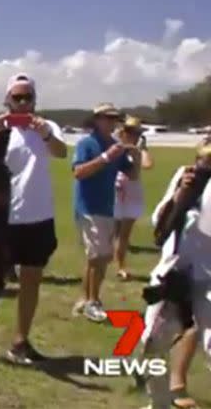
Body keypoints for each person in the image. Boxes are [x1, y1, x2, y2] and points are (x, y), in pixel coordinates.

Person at [0, 73, 66, 365]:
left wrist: (46, 135)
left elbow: (61, 153)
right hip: (2, 214)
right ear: (7, 100)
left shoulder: (48, 127)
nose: (24, 103)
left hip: (38, 214)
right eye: (17, 97)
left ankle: (20, 341)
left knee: (31, 280)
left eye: (28, 97)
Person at [138, 142, 211, 409]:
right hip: (173, 274)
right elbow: (160, 225)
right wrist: (183, 192)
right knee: (152, 345)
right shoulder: (186, 175)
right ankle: (158, 404)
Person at [71, 103, 136, 323]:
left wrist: (134, 153)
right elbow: (78, 172)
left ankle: (85, 299)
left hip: (107, 207)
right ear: (96, 119)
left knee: (101, 257)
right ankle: (93, 302)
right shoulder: (87, 144)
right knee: (98, 256)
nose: (111, 122)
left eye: (114, 118)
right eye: (106, 118)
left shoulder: (116, 145)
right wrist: (105, 158)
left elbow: (133, 174)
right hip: (88, 207)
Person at [113, 115, 154, 281]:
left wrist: (142, 149)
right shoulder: (115, 146)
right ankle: (117, 261)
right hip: (115, 190)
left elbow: (147, 165)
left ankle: (120, 265)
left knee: (124, 233)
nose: (133, 135)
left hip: (132, 192)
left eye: (137, 132)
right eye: (129, 131)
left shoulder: (138, 150)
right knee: (115, 232)